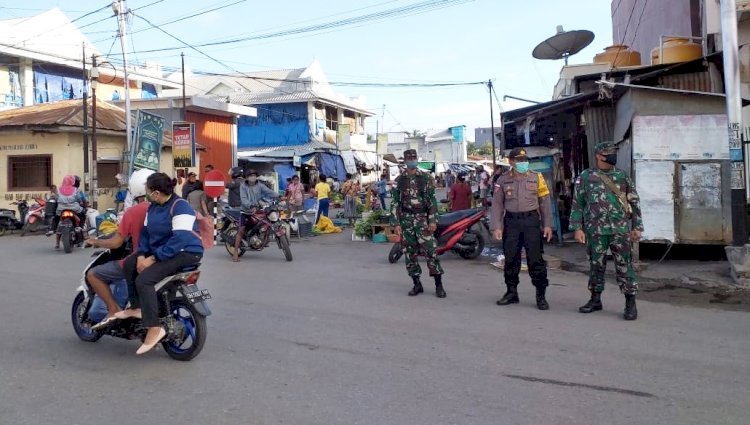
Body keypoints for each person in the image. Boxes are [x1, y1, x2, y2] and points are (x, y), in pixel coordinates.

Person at [119, 173, 204, 355]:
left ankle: (154, 327)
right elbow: (146, 233)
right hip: (163, 250)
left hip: (186, 252)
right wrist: (141, 254)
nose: (147, 194)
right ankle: (137, 307)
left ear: (156, 193)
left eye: (148, 191)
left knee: (144, 280)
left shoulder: (181, 207)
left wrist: (154, 258)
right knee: (129, 264)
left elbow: (180, 238)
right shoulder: (153, 208)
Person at [570, 141, 644, 320]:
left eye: (613, 152)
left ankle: (630, 304)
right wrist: (577, 228)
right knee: (596, 265)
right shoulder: (586, 177)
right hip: (595, 230)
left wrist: (637, 226)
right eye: (608, 153)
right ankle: (595, 300)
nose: (613, 155)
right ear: (599, 155)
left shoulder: (622, 176)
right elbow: (577, 204)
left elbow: (634, 201)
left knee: (625, 266)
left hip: (619, 229)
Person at [85, 169, 153, 330]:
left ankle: (113, 309)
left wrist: (96, 242)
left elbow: (116, 243)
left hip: (141, 258)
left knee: (93, 274)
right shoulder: (166, 208)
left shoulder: (133, 212)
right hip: (168, 257)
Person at [491, 147, 553, 310]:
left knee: (536, 259)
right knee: (511, 258)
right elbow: (497, 205)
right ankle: (512, 292)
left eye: (525, 160)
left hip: (531, 221)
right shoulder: (502, 180)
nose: (523, 163)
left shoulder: (536, 177)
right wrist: (497, 227)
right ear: (511, 162)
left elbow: (545, 203)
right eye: (519, 160)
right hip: (511, 222)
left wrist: (547, 225)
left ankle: (541, 295)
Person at [390, 149, 445, 298]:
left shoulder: (425, 178)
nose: (412, 160)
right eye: (409, 158)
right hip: (406, 221)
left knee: (431, 253)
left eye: (414, 158)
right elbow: (395, 203)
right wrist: (396, 223)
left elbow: (432, 201)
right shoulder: (399, 180)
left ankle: (438, 285)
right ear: (405, 161)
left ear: (417, 159)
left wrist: (432, 220)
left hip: (422, 220)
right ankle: (417, 284)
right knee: (410, 254)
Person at [233, 169, 279, 262]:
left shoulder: (260, 185)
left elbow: (268, 192)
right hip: (245, 211)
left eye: (254, 175)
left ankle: (262, 240)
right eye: (250, 175)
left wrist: (279, 196)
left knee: (264, 222)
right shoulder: (243, 187)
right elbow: (244, 199)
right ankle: (235, 252)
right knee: (241, 229)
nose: (253, 177)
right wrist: (250, 205)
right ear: (247, 177)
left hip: (256, 210)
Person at [49, 175, 85, 249]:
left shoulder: (59, 189)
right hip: (74, 209)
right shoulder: (75, 190)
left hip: (61, 209)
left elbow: (56, 198)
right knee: (83, 215)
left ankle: (52, 229)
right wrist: (81, 202)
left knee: (56, 218)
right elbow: (79, 199)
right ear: (72, 181)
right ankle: (80, 227)